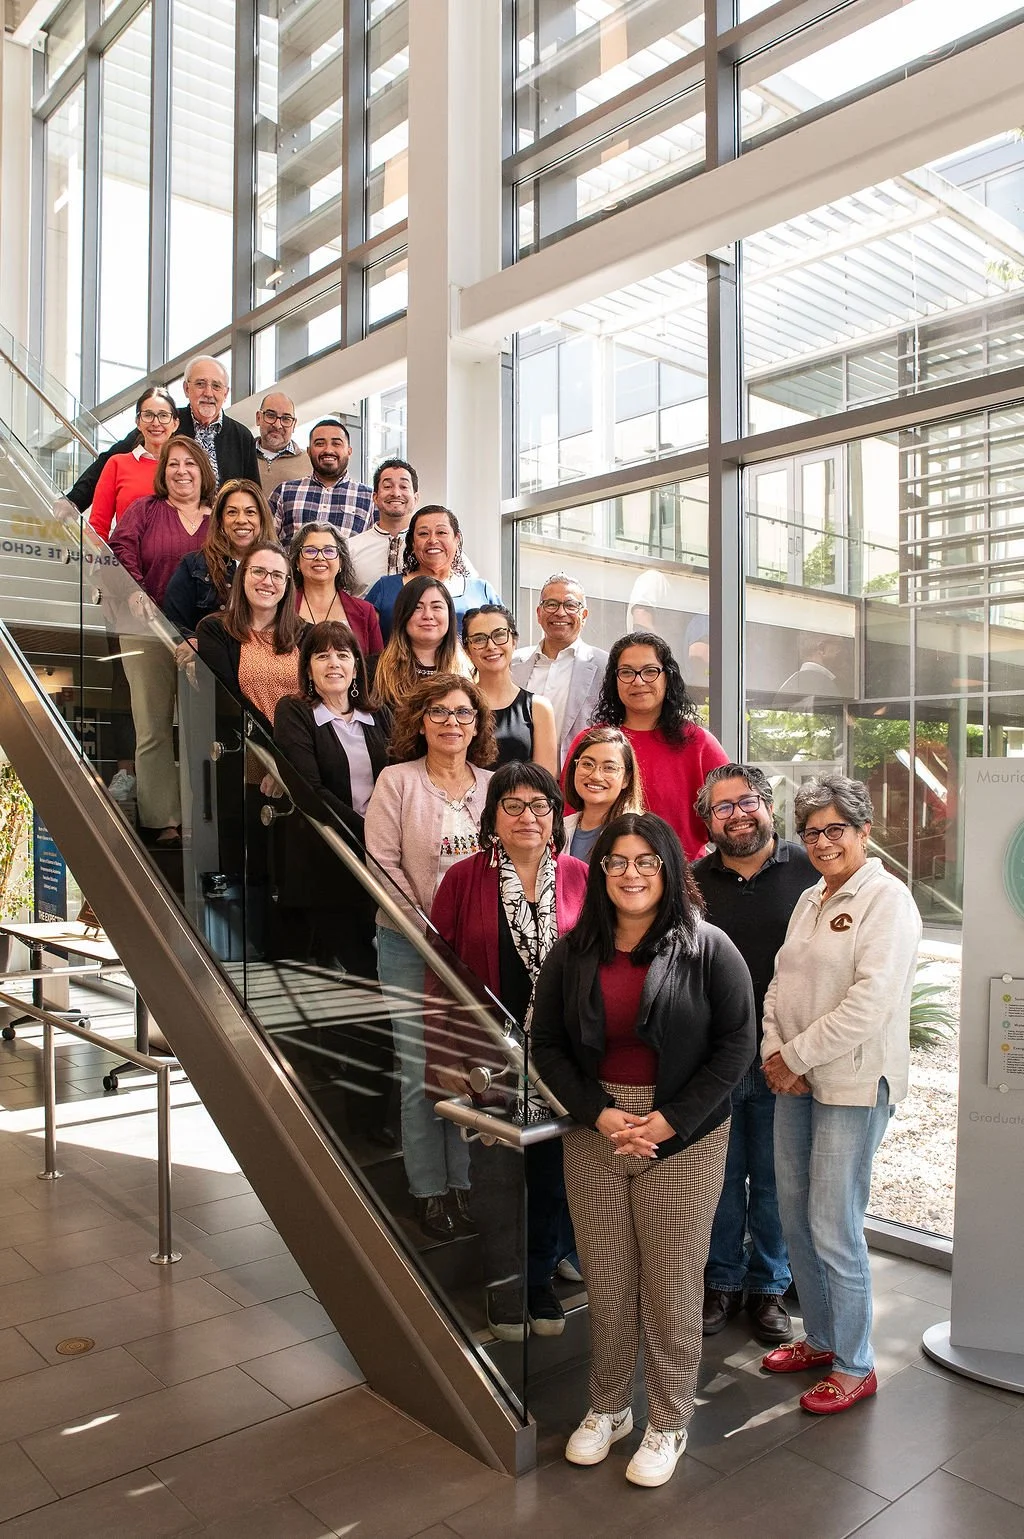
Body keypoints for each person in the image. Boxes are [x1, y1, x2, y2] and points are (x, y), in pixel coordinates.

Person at [531, 813, 754, 1487]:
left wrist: (668, 1121)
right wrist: (598, 1113)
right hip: (595, 1126)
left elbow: (736, 1046)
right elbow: (546, 1047)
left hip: (682, 1132)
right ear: (599, 872)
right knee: (606, 1274)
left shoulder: (710, 947)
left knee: (672, 1281)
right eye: (617, 861)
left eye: (645, 861)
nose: (631, 873)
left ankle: (667, 1418)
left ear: (669, 868)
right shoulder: (572, 951)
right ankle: (607, 1408)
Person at [759, 774, 921, 1416]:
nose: (823, 842)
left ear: (864, 833)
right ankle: (821, 1340)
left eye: (836, 830)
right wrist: (773, 1051)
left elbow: (870, 1003)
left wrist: (792, 1056)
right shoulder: (808, 899)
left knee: (834, 1222)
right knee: (794, 1216)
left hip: (850, 1084)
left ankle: (856, 1364)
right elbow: (778, 982)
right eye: (812, 831)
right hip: (793, 1079)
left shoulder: (888, 900)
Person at [428, 763, 588, 1342]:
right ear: (492, 817)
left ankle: (539, 1279)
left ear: (556, 817)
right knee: (496, 1175)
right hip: (486, 1056)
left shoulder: (578, 877)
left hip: (559, 1056)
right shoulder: (463, 880)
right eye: (514, 806)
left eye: (541, 806)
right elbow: (438, 973)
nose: (529, 817)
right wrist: (443, 1054)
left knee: (553, 1173)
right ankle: (503, 1288)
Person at [364, 674, 496, 1241]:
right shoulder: (396, 781)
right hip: (409, 945)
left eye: (463, 714)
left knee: (470, 1067)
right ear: (420, 721)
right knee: (421, 1068)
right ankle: (429, 1189)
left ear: (477, 725)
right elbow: (382, 864)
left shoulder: (494, 786)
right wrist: (429, 931)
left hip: (477, 948)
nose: (451, 723)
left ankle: (464, 1185)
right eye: (439, 712)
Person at [692, 764, 818, 1345]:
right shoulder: (692, 881)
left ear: (768, 804)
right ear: (707, 819)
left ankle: (769, 1286)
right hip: (714, 1058)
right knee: (717, 1178)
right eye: (722, 807)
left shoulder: (809, 870)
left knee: (775, 1180)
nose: (737, 814)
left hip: (783, 1057)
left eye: (747, 802)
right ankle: (719, 1281)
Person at [273, 623, 393, 1127]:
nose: (333, 665)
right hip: (329, 869)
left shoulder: (376, 716)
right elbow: (307, 789)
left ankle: (377, 1108)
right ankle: (364, 1116)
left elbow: (397, 780)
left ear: (356, 665)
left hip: (382, 870)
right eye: (320, 656)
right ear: (308, 666)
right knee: (367, 981)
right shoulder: (296, 712)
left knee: (378, 984)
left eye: (342, 655)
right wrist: (373, 834)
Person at [108, 437, 215, 845]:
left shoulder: (219, 516)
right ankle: (161, 821)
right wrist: (133, 590)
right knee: (152, 727)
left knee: (198, 731)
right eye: (173, 464)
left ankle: (196, 818)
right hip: (148, 630)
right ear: (162, 471)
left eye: (190, 463)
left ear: (202, 470)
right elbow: (119, 550)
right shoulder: (145, 510)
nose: (182, 471)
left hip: (201, 638)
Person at [565, 632, 728, 861]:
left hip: (684, 880)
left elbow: (730, 813)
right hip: (601, 879)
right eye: (627, 672)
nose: (638, 681)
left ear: (667, 677)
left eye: (650, 671)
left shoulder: (699, 743)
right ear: (615, 679)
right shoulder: (592, 743)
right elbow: (568, 814)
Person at [196, 542, 305, 727]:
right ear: (243, 575)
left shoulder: (307, 633)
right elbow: (227, 699)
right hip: (247, 748)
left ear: (287, 585)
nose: (267, 581)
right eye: (258, 571)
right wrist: (275, 744)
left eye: (277, 575)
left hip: (301, 748)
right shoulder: (214, 630)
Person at [511, 574, 608, 767]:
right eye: (551, 604)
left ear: (584, 615)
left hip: (578, 781)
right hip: (519, 778)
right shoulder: (513, 664)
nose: (560, 613)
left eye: (571, 605)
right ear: (539, 613)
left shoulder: (605, 666)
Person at [365, 505, 500, 643]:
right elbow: (363, 644)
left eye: (441, 532)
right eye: (423, 533)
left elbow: (502, 640)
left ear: (456, 539)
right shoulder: (385, 589)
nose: (433, 540)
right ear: (412, 542)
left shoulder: (481, 590)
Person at [164, 478, 276, 640]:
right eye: (232, 512)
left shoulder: (279, 566)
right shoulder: (194, 565)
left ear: (262, 519)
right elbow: (173, 621)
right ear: (221, 520)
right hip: (207, 661)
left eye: (250, 512)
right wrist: (192, 642)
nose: (241, 520)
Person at [463, 604, 557, 775]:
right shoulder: (458, 707)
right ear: (467, 650)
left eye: (499, 635)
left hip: (522, 800)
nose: (491, 646)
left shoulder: (538, 708)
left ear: (514, 641)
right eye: (478, 639)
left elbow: (545, 784)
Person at [88, 388, 179, 542]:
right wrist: (105, 564)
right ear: (138, 422)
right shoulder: (117, 464)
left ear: (175, 424)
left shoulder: (187, 469)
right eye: (148, 415)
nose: (156, 423)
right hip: (127, 560)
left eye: (163, 416)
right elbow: (97, 527)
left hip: (178, 562)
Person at [371, 575, 469, 710]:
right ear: (403, 615)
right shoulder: (374, 671)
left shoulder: (471, 671)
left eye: (436, 607)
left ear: (449, 615)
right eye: (417, 607)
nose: (428, 615)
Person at [269, 418, 373, 545]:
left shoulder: (370, 498)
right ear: (308, 451)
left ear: (349, 451)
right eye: (319, 444)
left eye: (336, 443)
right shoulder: (285, 492)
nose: (328, 450)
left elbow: (377, 547)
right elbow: (266, 542)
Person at [289, 521, 383, 657]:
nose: (320, 557)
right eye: (310, 551)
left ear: (341, 561)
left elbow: (376, 666)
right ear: (297, 561)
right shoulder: (281, 606)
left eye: (329, 551)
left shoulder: (365, 611)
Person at [562, 726, 645, 864]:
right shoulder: (559, 828)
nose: (595, 776)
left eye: (609, 768)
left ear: (626, 779)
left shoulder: (638, 834)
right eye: (587, 764)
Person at [177, 355, 260, 486]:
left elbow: (252, 492)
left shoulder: (242, 436)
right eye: (200, 384)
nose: (208, 393)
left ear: (225, 393)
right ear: (186, 389)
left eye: (216, 386)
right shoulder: (167, 424)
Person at [347, 458, 419, 595]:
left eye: (404, 486)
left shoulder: (431, 547)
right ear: (375, 497)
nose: (396, 493)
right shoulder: (351, 548)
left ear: (416, 498)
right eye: (387, 486)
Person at [254, 391, 312, 497]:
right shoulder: (240, 456)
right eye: (271, 416)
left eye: (286, 419)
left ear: (294, 425)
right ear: (258, 418)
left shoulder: (310, 464)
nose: (277, 425)